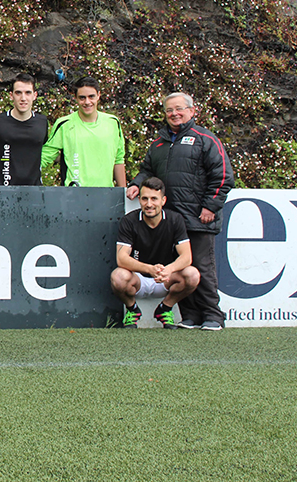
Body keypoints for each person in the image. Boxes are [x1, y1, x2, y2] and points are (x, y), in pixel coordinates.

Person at [127, 92, 234, 331]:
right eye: (169, 110)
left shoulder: (206, 138)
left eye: (179, 109)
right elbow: (147, 171)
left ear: (191, 111)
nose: (174, 114)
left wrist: (210, 206)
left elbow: (224, 176)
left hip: (198, 218)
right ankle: (191, 316)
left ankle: (213, 316)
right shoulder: (159, 143)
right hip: (172, 222)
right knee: (181, 270)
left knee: (202, 268)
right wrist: (136, 183)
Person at [112, 177, 200, 328]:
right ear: (139, 200)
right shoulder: (129, 221)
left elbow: (187, 257)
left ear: (163, 200)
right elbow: (121, 259)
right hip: (138, 279)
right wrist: (149, 269)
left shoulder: (175, 219)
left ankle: (165, 308)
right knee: (118, 277)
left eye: (154, 199)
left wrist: (168, 270)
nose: (149, 204)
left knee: (192, 275)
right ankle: (132, 309)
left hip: (165, 278)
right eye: (145, 199)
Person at [41, 76, 126, 187]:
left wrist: (123, 193)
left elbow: (118, 160)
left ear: (98, 95)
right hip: (73, 195)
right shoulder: (64, 124)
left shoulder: (113, 123)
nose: (87, 102)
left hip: (106, 196)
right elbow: (44, 157)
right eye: (82, 97)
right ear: (75, 98)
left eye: (91, 96)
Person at [0, 73, 50, 185]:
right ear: (11, 95)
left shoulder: (42, 122)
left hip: (35, 191)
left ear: (35, 95)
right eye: (18, 93)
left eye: (28, 93)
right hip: (3, 190)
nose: (23, 98)